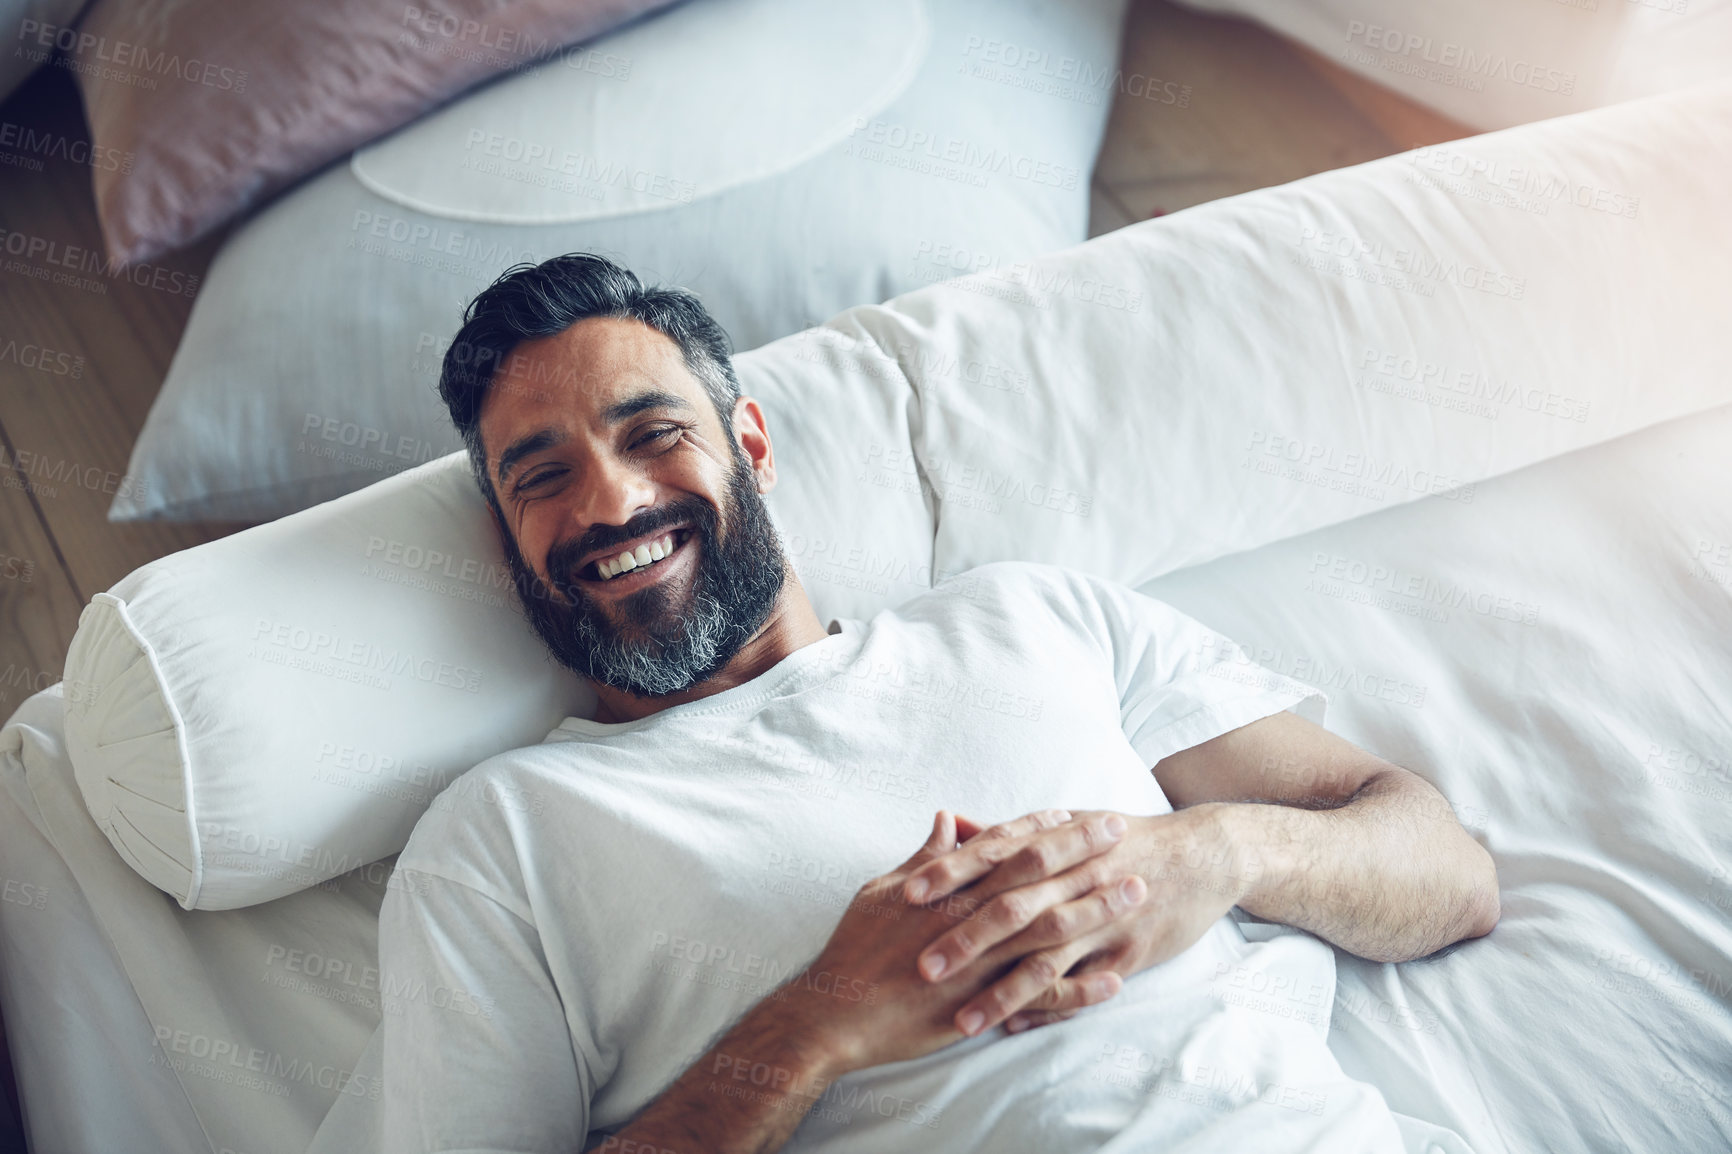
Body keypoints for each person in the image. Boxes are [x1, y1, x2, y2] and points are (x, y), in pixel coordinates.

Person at [377, 253, 1499, 1154]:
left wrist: (1210, 855)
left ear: (751, 446)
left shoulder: (1030, 616)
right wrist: (820, 1019)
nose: (611, 501)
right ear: (507, 539)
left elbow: (1449, 875)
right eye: (541, 476)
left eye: (653, 434)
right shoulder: (502, 835)